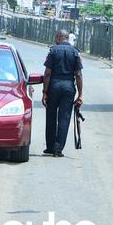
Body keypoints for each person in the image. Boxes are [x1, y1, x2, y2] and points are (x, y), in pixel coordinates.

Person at [41, 29, 83, 157]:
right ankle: (58, 149)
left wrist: (44, 92)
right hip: (68, 88)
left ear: (59, 38)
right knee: (64, 118)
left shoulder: (53, 51)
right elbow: (78, 75)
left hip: (54, 86)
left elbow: (47, 73)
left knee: (51, 117)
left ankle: (50, 147)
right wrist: (80, 95)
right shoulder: (75, 52)